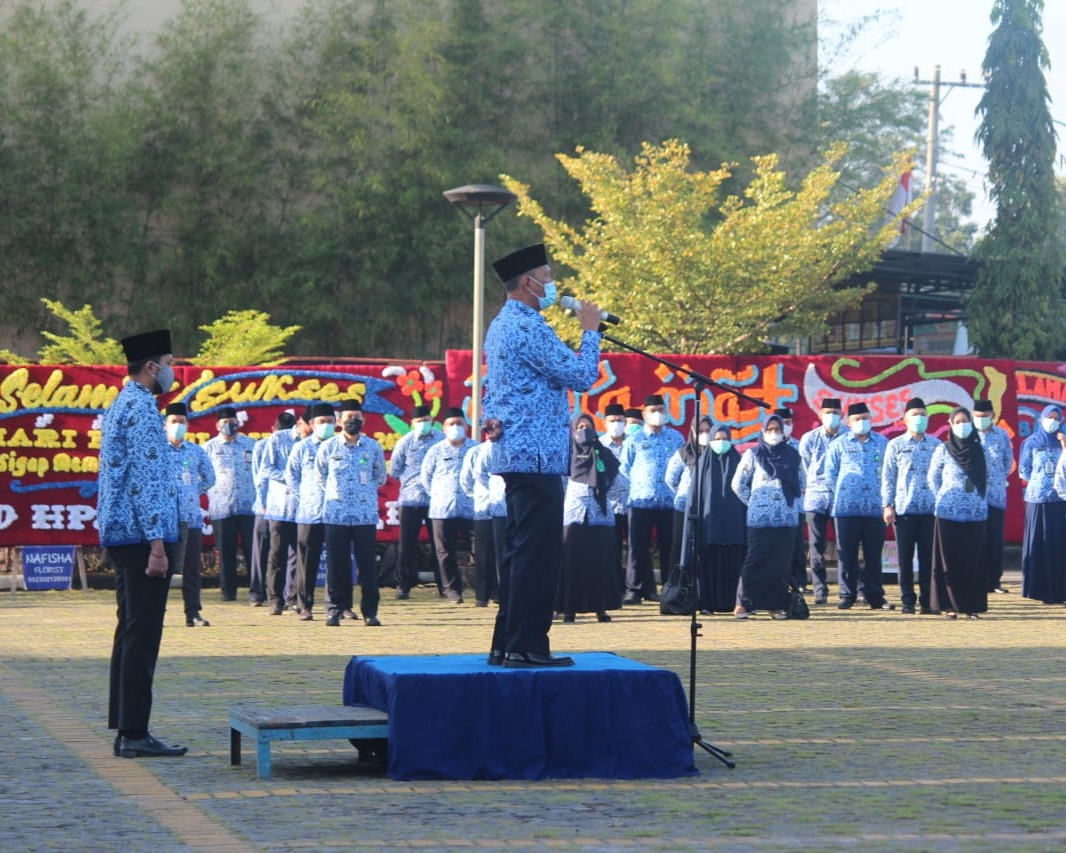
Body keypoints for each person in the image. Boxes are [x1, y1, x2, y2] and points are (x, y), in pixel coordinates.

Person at [482, 242, 602, 668]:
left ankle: (507, 643)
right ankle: (527, 646)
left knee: (520, 552)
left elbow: (493, 386)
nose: (552, 285)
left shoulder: (499, 325)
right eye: (547, 277)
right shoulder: (528, 326)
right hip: (535, 455)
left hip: (519, 454)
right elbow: (581, 374)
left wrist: (490, 416)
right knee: (538, 554)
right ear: (528, 282)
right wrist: (591, 330)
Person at [99, 328, 187, 758]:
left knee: (128, 629)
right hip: (141, 536)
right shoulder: (142, 409)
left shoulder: (119, 405)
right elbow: (148, 482)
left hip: (120, 532)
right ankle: (135, 733)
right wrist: (157, 544)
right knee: (143, 634)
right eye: (169, 363)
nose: (173, 371)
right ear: (152, 367)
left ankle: (125, 725)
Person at [315, 399, 386, 627]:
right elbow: (320, 477)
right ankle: (335, 609)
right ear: (339, 421)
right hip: (336, 514)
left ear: (363, 419)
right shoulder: (328, 447)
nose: (352, 421)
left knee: (367, 566)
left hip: (364, 515)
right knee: (337, 566)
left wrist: (362, 493)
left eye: (357, 417)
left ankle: (370, 612)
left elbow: (380, 476)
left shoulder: (373, 447)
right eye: (348, 418)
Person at [731, 414, 805, 619]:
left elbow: (802, 483)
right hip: (759, 519)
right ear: (763, 431)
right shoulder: (753, 454)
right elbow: (737, 484)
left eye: (777, 429)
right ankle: (744, 603)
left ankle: (776, 605)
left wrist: (793, 507)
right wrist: (754, 503)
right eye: (770, 429)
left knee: (780, 564)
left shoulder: (793, 455)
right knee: (755, 560)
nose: (774, 433)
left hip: (787, 519)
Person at [824, 402, 894, 611]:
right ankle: (847, 594)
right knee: (847, 555)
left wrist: (887, 502)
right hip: (845, 509)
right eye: (857, 419)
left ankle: (874, 595)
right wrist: (843, 494)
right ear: (849, 422)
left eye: (865, 418)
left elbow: (889, 472)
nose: (862, 422)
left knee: (873, 555)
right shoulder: (839, 444)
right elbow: (830, 473)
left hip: (875, 508)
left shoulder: (882, 443)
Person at [558, 413, 627, 622]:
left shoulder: (602, 453)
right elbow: (559, 480)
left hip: (600, 515)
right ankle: (569, 608)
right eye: (579, 427)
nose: (584, 431)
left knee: (600, 562)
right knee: (572, 562)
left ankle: (600, 608)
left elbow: (616, 480)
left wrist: (609, 497)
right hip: (575, 514)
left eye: (587, 426)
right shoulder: (567, 452)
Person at [929, 407, 994, 618]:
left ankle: (971, 606)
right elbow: (932, 478)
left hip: (976, 514)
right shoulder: (943, 449)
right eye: (957, 421)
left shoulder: (981, 450)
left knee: (972, 561)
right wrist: (944, 496)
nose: (962, 425)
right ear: (950, 424)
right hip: (948, 513)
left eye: (965, 421)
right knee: (950, 561)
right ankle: (948, 606)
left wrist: (978, 498)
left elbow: (990, 476)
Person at [620, 394, 685, 605]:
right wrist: (637, 486)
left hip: (669, 501)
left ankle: (669, 587)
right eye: (653, 410)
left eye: (661, 409)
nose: (657, 414)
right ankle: (635, 589)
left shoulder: (676, 438)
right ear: (644, 414)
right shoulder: (634, 439)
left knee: (669, 546)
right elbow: (624, 469)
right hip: (640, 501)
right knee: (637, 547)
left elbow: (683, 469)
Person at [881, 398, 938, 614]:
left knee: (928, 560)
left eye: (923, 415)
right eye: (915, 415)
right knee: (904, 560)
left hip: (929, 511)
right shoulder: (895, 445)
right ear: (905, 419)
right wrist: (887, 505)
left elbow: (942, 476)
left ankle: (927, 602)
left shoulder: (936, 445)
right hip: (903, 510)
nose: (919, 419)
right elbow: (888, 477)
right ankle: (907, 602)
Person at [683, 423, 747, 613]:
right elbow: (693, 498)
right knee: (709, 565)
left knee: (734, 563)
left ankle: (733, 602)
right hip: (708, 528)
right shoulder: (702, 465)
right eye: (717, 439)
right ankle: (707, 604)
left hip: (735, 527)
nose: (721, 443)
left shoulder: (739, 461)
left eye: (724, 439)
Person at [164, 402, 215, 627]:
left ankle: (192, 613)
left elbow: (210, 477)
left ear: (188, 425)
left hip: (190, 518)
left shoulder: (195, 451)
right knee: (161, 570)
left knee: (191, 569)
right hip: (163, 521)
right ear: (165, 425)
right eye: (173, 422)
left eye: (181, 422)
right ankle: (157, 614)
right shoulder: (156, 451)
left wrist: (194, 489)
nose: (177, 426)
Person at [420, 407, 478, 604]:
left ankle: (486, 590)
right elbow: (426, 479)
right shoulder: (435, 451)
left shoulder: (475, 449)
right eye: (451, 424)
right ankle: (452, 590)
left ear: (466, 426)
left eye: (459, 423)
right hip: (442, 509)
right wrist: (441, 495)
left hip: (472, 509)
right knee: (444, 552)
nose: (455, 427)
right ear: (443, 428)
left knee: (480, 549)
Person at [285, 402, 335, 620]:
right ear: (312, 424)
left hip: (336, 513)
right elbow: (291, 477)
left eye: (330, 422)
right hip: (309, 512)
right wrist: (305, 498)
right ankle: (304, 605)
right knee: (306, 561)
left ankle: (337, 605)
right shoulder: (301, 448)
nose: (326, 425)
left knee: (337, 561)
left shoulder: (340, 446)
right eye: (322, 422)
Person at [389, 404, 444, 599]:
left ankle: (444, 585)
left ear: (432, 421)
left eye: (426, 420)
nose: (423, 424)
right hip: (411, 498)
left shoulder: (441, 440)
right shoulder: (405, 442)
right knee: (407, 545)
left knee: (440, 545)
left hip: (437, 499)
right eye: (419, 421)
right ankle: (404, 584)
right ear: (412, 423)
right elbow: (394, 470)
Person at [204, 407, 257, 602]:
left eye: (233, 421)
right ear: (217, 425)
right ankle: (228, 593)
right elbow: (200, 474)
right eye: (225, 422)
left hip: (249, 507)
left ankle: (257, 592)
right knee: (226, 553)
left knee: (254, 552)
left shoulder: (251, 444)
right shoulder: (209, 448)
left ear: (238, 423)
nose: (230, 425)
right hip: (221, 507)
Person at [799, 397, 843, 605]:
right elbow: (803, 468)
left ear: (842, 415)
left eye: (835, 412)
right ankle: (820, 590)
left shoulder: (848, 437)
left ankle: (848, 590)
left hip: (841, 499)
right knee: (817, 546)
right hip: (816, 497)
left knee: (846, 546)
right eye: (827, 412)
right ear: (820, 415)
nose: (831, 416)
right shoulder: (809, 438)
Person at [1022, 405, 1066, 605]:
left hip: (1060, 499)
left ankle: (1059, 590)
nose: (1053, 421)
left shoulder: (1063, 442)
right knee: (1040, 543)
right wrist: (1041, 482)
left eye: (1057, 418)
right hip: (1038, 499)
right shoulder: (1031, 442)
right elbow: (1024, 470)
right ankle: (1039, 590)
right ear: (1041, 418)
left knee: (1058, 545)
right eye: (1050, 417)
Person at [259, 411, 300, 616]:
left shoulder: (312, 442)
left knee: (299, 556)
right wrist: (289, 477)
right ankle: (275, 599)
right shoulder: (277, 439)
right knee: (277, 555)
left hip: (303, 509)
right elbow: (266, 468)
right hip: (279, 506)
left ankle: (294, 598)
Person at [974, 399, 1013, 594]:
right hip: (974, 498)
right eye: (977, 417)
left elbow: (1007, 463)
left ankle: (994, 581)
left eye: (984, 416)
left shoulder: (1002, 435)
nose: (981, 420)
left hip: (996, 496)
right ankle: (977, 580)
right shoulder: (968, 435)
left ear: (992, 415)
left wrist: (996, 478)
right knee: (976, 540)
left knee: (995, 540)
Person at [459, 434, 503, 607]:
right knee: (483, 553)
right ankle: (482, 595)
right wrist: (479, 493)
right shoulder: (476, 451)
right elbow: (467, 479)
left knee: (502, 552)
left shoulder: (508, 449)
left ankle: (500, 591)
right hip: (483, 508)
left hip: (505, 509)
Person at [775, 406, 808, 592]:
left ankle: (799, 583)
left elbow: (805, 473)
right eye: (781, 424)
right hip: (773, 507)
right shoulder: (765, 448)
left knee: (796, 546)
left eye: (788, 423)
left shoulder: (799, 446)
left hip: (796, 504)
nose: (785, 427)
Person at [599, 402, 630, 590]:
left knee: (635, 549)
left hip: (633, 503)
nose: (616, 424)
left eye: (619, 420)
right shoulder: (599, 445)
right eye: (612, 421)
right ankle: (614, 585)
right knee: (612, 548)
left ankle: (634, 586)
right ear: (605, 423)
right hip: (609, 505)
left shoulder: (633, 441)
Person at [247, 429, 272, 607]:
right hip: (264, 507)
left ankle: (282, 594)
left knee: (286, 554)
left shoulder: (297, 445)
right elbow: (258, 477)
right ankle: (257, 592)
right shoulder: (262, 446)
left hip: (290, 510)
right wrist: (262, 501)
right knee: (260, 551)